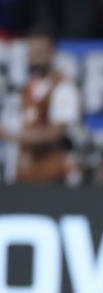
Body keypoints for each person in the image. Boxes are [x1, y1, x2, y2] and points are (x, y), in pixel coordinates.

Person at [0, 33, 81, 184]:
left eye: (40, 53)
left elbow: (56, 133)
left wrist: (13, 136)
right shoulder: (25, 89)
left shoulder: (63, 88)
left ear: (52, 53)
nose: (34, 59)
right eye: (31, 53)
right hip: (24, 172)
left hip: (55, 175)